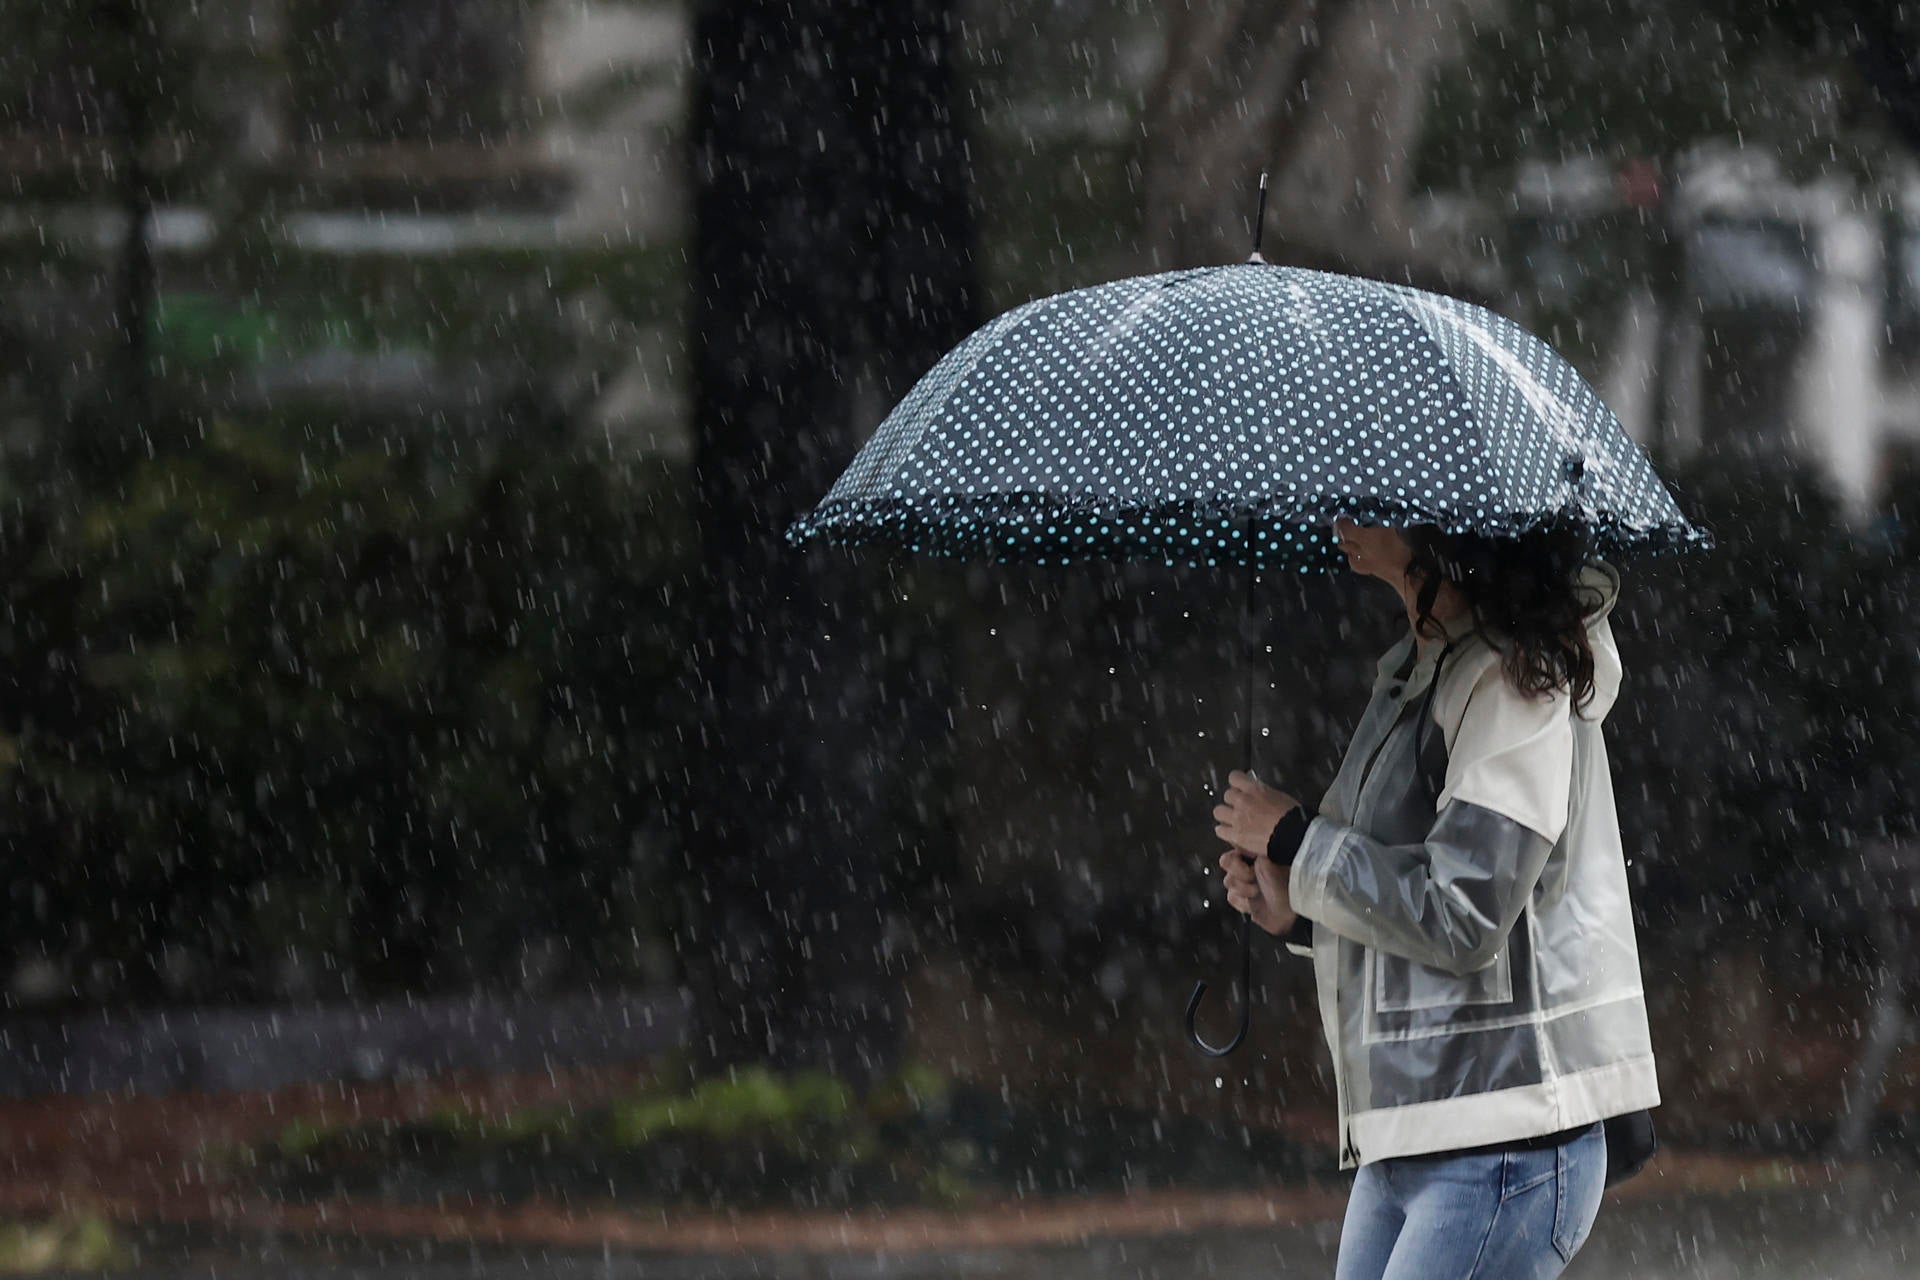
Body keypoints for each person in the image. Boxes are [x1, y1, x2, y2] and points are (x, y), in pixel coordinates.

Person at [1212, 513, 1661, 1280]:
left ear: (1444, 526)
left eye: (1369, 497)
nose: (1341, 514)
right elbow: (1417, 891)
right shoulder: (1422, 669)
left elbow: (1465, 914)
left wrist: (1299, 840)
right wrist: (1299, 911)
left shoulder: (1513, 679)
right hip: (1415, 1130)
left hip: (1505, 1140)